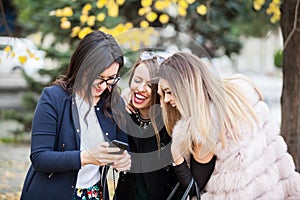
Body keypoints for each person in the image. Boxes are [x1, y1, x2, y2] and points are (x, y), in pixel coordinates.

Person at [158, 52, 300, 199]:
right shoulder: (239, 99)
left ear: (185, 88)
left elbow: (193, 188)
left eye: (168, 92)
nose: (167, 99)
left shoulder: (204, 126)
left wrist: (177, 156)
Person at [21, 30, 131, 200]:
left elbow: (123, 147)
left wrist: (124, 160)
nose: (104, 86)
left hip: (94, 193)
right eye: (98, 77)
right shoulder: (53, 98)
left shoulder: (114, 102)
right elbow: (40, 157)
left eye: (111, 79)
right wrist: (86, 157)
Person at [115, 51, 182, 200]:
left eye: (150, 85)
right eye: (137, 80)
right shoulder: (124, 115)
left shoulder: (172, 123)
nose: (140, 89)